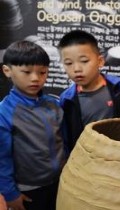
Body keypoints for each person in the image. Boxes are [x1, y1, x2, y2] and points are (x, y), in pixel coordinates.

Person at [0, 40, 67, 210]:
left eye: (42, 72)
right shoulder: (4, 112)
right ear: (7, 70)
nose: (35, 78)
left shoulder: (54, 104)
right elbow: (2, 158)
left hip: (60, 182)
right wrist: (10, 193)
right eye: (26, 72)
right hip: (28, 189)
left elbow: (64, 142)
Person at [58, 30, 120, 152]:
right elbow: (67, 138)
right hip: (87, 159)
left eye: (84, 61)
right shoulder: (66, 99)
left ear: (100, 61)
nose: (76, 69)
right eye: (68, 63)